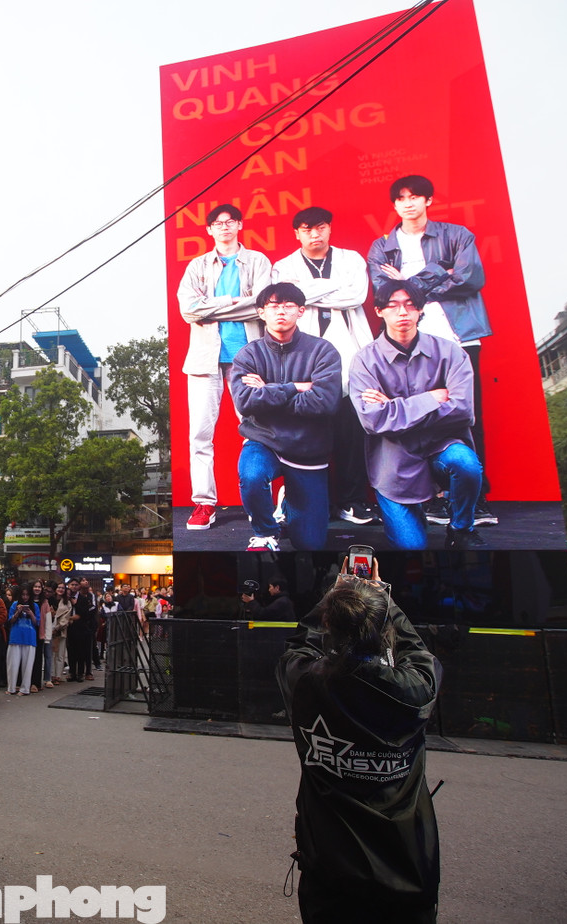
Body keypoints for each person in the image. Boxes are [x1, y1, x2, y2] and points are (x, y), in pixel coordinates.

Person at [276, 560, 442, 922]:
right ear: (382, 626)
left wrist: (333, 597)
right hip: (407, 874)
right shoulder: (414, 692)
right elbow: (418, 653)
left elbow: (297, 647)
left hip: (330, 875)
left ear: (327, 624)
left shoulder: (305, 682)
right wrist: (383, 598)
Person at [367, 174, 496, 527]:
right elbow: (383, 291)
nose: (408, 203)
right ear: (394, 205)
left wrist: (410, 283)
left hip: (459, 337)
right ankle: (435, 497)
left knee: (467, 417)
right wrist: (441, 271)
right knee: (416, 417)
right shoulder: (383, 247)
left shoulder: (456, 235)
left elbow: (471, 277)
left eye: (415, 196)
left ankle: (475, 498)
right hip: (409, 344)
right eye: (401, 198)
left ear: (429, 200)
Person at [349, 284, 486, 551]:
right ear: (379, 311)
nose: (403, 312)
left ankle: (461, 528)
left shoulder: (451, 352)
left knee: (466, 463)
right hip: (394, 459)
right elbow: (373, 420)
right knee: (411, 546)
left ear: (421, 310)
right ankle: (413, 517)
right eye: (393, 305)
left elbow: (463, 411)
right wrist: (429, 399)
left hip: (441, 445)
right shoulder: (365, 361)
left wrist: (395, 409)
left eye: (411, 304)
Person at [273, 206, 377, 525]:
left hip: (348, 341)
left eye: (319, 228)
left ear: (329, 229)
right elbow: (289, 301)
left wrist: (307, 293)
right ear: (297, 234)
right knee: (306, 424)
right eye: (306, 229)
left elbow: (357, 296)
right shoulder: (283, 266)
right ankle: (300, 500)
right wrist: (334, 288)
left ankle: (352, 500)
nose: (314, 234)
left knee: (350, 423)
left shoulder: (351, 259)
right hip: (303, 347)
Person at [179, 202, 273, 531]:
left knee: (256, 431)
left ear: (239, 225)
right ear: (209, 229)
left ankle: (259, 503)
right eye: (218, 223)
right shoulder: (198, 266)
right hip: (205, 360)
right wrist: (230, 301)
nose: (225, 227)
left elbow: (262, 306)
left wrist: (211, 307)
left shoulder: (258, 261)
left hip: (247, 358)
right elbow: (188, 310)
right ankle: (204, 503)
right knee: (199, 436)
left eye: (230, 221)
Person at [228, 282, 343, 551]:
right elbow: (245, 403)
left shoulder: (323, 351)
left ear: (301, 311)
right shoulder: (249, 354)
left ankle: (286, 508)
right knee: (253, 475)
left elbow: (325, 403)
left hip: (308, 448)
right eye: (274, 306)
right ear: (261, 312)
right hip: (264, 440)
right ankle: (267, 531)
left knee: (310, 544)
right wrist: (295, 387)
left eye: (289, 305)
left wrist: (266, 392)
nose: (281, 311)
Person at [66, 578, 99, 683]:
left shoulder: (83, 598)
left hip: (81, 628)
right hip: (69, 628)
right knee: (71, 651)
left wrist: (76, 604)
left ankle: (81, 673)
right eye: (72, 585)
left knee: (81, 651)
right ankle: (72, 672)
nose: (74, 586)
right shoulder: (65, 597)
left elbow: (85, 613)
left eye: (76, 585)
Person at [5, 598, 40, 695]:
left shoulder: (34, 606)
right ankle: (11, 687)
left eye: (27, 595)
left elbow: (37, 622)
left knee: (28, 665)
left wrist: (31, 613)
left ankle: (25, 689)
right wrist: (17, 612)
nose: (25, 597)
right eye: (23, 594)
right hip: (15, 637)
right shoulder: (14, 604)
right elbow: (10, 620)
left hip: (29, 638)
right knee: (12, 664)